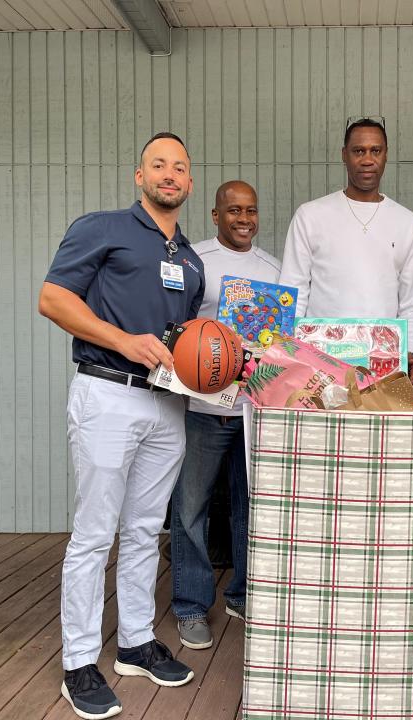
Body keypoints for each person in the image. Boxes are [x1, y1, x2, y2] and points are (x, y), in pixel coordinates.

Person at [39, 132, 202, 719]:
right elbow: (53, 299)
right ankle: (79, 661)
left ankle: (135, 642)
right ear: (140, 176)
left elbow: (186, 344)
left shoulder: (191, 260)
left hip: (167, 406)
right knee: (93, 533)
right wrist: (123, 342)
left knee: (143, 530)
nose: (169, 174)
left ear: (189, 182)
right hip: (106, 394)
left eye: (179, 167)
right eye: (158, 164)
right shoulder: (102, 228)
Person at [168, 180, 281, 650]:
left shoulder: (275, 268)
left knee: (251, 507)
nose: (243, 218)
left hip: (255, 409)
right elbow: (175, 327)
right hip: (203, 408)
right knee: (191, 507)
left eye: (251, 210)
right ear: (215, 215)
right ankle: (191, 606)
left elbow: (281, 342)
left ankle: (242, 594)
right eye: (233, 210)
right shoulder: (195, 261)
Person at [279, 116, 413, 376]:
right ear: (344, 155)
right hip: (318, 365)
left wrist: (409, 353)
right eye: (358, 151)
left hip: (384, 365)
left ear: (386, 155)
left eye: (376, 151)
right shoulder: (311, 215)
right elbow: (294, 291)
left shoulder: (407, 223)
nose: (367, 159)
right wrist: (290, 355)